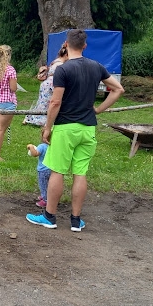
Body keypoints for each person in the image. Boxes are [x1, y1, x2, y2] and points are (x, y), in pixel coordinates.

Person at [26, 29, 124, 232]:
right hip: (87, 128)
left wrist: (47, 127)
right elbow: (118, 89)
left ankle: (49, 217)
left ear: (65, 44)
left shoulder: (63, 69)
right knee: (80, 173)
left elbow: (55, 102)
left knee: (57, 171)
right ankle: (76, 220)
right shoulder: (96, 66)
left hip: (65, 128)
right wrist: (98, 109)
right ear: (85, 46)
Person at [24, 46, 69, 126]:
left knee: (43, 102)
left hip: (47, 84)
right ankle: (43, 120)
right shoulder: (61, 65)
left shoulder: (55, 61)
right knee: (49, 102)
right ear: (66, 55)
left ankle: (32, 117)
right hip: (53, 84)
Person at [27, 139, 51, 208]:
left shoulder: (42, 146)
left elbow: (35, 154)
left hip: (43, 170)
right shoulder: (54, 146)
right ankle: (51, 198)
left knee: (43, 185)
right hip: (52, 169)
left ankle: (45, 200)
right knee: (50, 185)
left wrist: (31, 147)